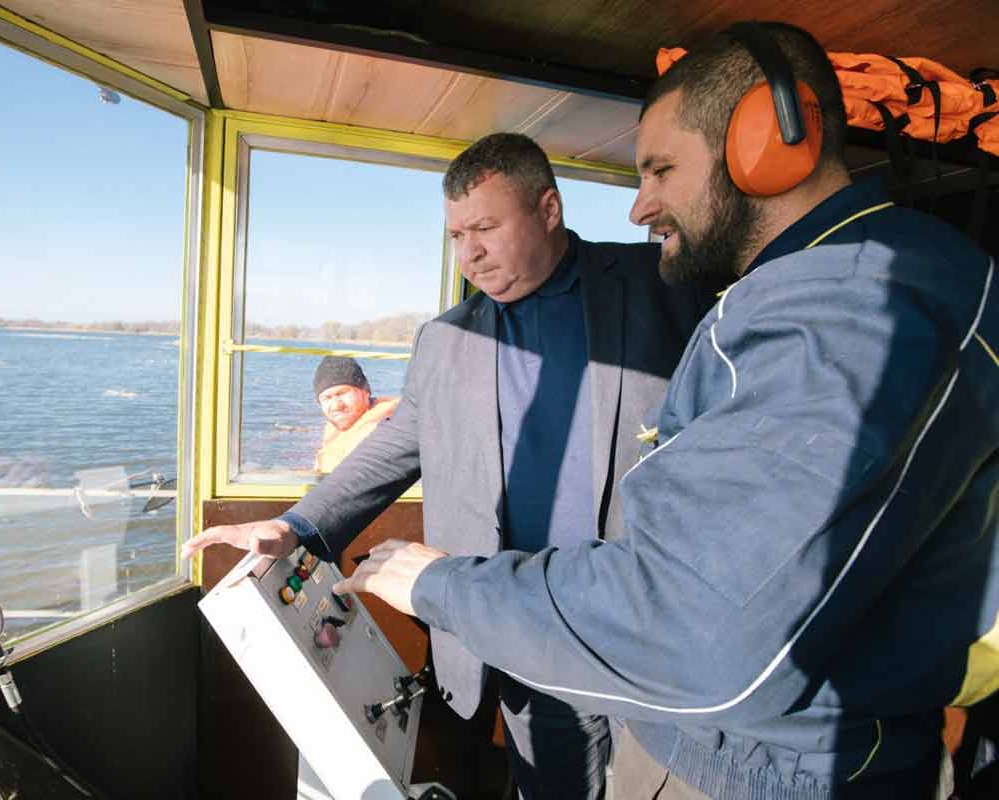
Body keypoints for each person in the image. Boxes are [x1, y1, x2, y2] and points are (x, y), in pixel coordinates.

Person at [335, 21, 999, 800]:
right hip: (686, 717)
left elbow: (696, 629)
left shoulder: (852, 303)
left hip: (763, 759)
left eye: (660, 169)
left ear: (770, 140)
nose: (640, 206)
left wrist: (439, 585)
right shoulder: (824, 283)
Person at [184, 133, 710, 797]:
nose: (471, 253)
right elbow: (395, 445)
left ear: (549, 209)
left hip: (645, 634)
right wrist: (295, 528)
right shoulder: (445, 338)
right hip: (522, 633)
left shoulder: (665, 285)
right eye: (457, 235)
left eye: (487, 227)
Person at [310, 355, 399, 473]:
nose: (336, 405)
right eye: (327, 398)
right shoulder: (340, 424)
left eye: (342, 393)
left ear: (365, 392)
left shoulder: (389, 423)